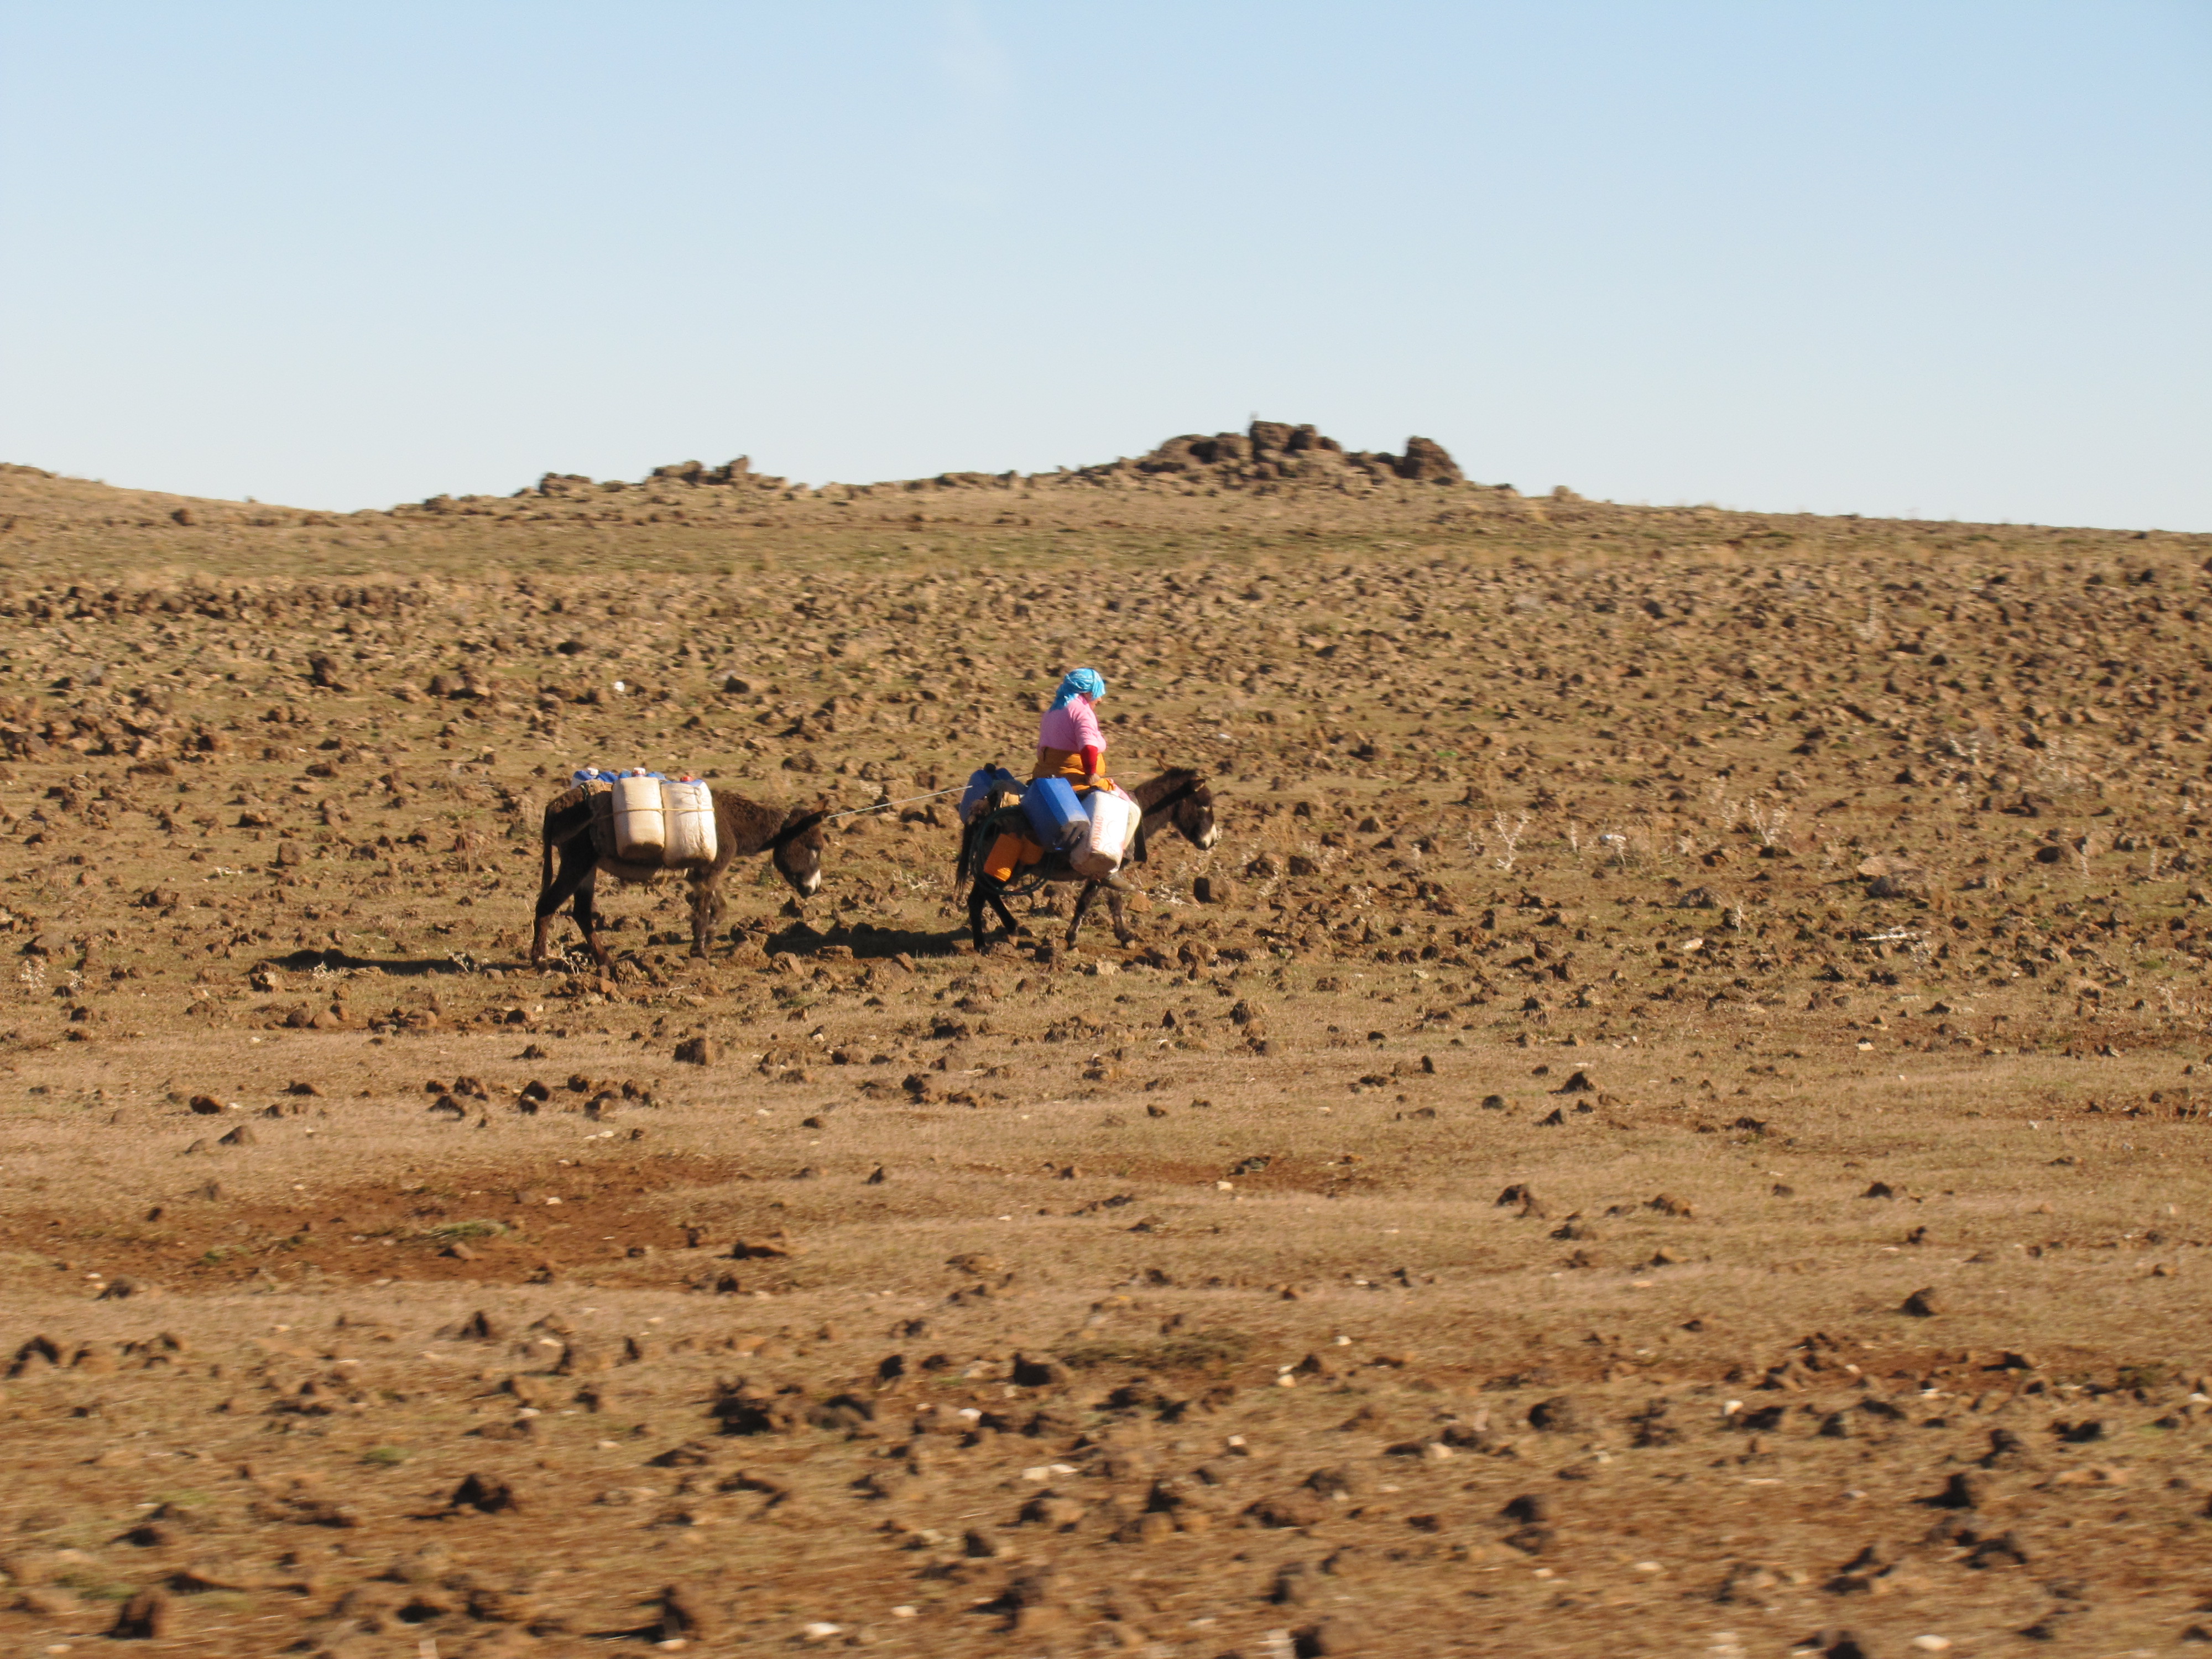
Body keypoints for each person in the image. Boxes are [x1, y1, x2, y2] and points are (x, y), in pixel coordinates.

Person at [1035, 667, 1108, 790]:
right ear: (1087, 692)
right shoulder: (1082, 712)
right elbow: (1088, 747)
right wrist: (1091, 774)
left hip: (1043, 775)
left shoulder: (1051, 711)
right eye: (1097, 693)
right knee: (1128, 805)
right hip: (1075, 781)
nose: (1100, 699)